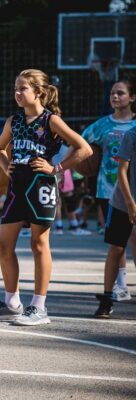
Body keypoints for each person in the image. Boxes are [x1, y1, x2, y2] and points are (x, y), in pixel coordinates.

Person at [0, 69, 92, 326]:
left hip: (40, 185)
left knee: (38, 244)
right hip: (17, 186)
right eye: (16, 89)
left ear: (38, 92)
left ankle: (39, 307)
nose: (18, 93)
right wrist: (5, 165)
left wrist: (58, 168)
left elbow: (83, 148)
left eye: (23, 89)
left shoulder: (50, 120)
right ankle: (12, 304)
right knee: (3, 245)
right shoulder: (13, 121)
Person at [82, 79, 136, 301]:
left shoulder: (134, 129)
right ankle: (121, 286)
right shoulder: (102, 125)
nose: (114, 97)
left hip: (132, 191)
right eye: (112, 93)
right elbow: (81, 143)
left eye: (120, 93)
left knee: (133, 237)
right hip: (108, 190)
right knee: (118, 241)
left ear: (132, 98)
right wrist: (80, 170)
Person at [95, 125, 136, 317]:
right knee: (116, 248)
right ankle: (107, 298)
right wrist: (130, 203)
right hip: (122, 201)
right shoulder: (132, 134)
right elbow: (122, 171)